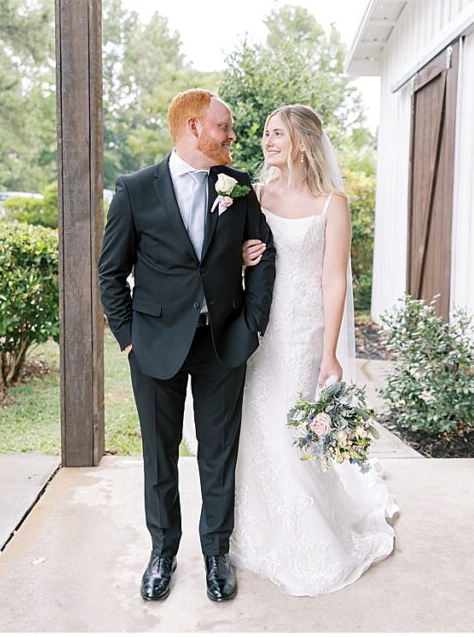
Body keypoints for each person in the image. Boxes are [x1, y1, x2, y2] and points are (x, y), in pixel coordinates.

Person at [99, 89, 276, 603]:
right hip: (154, 346)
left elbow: (264, 257)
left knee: (218, 454)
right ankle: (162, 552)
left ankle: (216, 553)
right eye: (224, 126)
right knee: (160, 456)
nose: (233, 136)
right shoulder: (135, 188)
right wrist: (129, 340)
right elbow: (111, 273)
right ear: (195, 128)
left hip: (223, 343)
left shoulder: (238, 186)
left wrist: (254, 324)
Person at [233, 104, 395, 596]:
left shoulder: (333, 203)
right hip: (260, 326)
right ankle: (256, 529)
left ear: (302, 142)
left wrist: (329, 352)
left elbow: (332, 281)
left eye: (276, 134)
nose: (267, 141)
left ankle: (311, 536)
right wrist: (240, 258)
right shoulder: (255, 196)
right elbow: (228, 263)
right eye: (265, 134)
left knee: (293, 429)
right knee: (258, 424)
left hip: (304, 331)